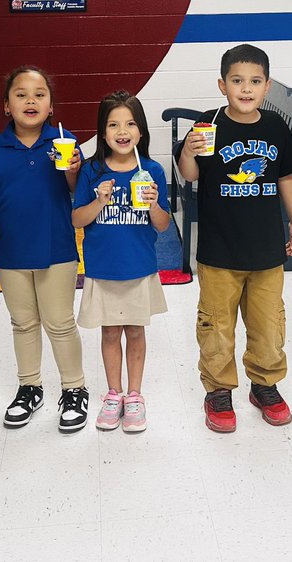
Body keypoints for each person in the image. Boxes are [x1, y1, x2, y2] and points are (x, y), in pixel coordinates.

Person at [177, 44, 292, 432]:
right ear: (222, 85)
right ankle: (218, 389)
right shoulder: (208, 123)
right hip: (219, 250)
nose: (245, 89)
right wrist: (188, 151)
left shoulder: (276, 127)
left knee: (268, 324)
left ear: (266, 87)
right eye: (237, 81)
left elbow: (285, 177)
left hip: (266, 248)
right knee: (216, 325)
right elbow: (191, 175)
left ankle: (264, 384)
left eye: (254, 81)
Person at [0, 66, 90, 433]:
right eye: (21, 94)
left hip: (58, 252)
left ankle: (74, 388)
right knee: (22, 323)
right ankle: (29, 387)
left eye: (39, 94)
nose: (30, 100)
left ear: (51, 106)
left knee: (60, 322)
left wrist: (72, 167)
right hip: (11, 253)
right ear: (7, 106)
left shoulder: (65, 143)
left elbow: (75, 191)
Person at [72, 91, 171, 433]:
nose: (122, 130)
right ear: (103, 133)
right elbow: (77, 220)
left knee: (135, 331)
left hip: (139, 268)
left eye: (130, 123)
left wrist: (155, 203)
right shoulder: (92, 171)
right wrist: (99, 202)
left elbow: (162, 224)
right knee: (110, 331)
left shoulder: (153, 170)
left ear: (141, 131)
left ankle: (135, 395)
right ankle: (113, 394)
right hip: (103, 269)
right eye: (113, 124)